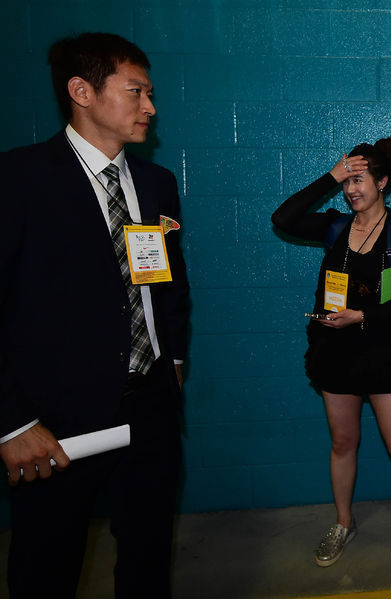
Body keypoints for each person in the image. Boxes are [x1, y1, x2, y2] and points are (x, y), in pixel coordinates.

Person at [0, 33, 190, 597]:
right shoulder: (18, 179)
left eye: (150, 94)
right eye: (136, 92)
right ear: (81, 91)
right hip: (53, 424)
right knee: (46, 569)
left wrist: (174, 358)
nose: (150, 107)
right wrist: (12, 421)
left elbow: (169, 284)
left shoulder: (156, 184)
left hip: (151, 407)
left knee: (148, 561)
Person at [272, 138, 391, 574]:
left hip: (386, 353)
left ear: (382, 183)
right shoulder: (334, 227)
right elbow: (283, 218)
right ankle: (343, 522)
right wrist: (331, 175)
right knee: (343, 442)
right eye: (346, 182)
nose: (351, 189)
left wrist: (362, 316)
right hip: (336, 353)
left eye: (359, 180)